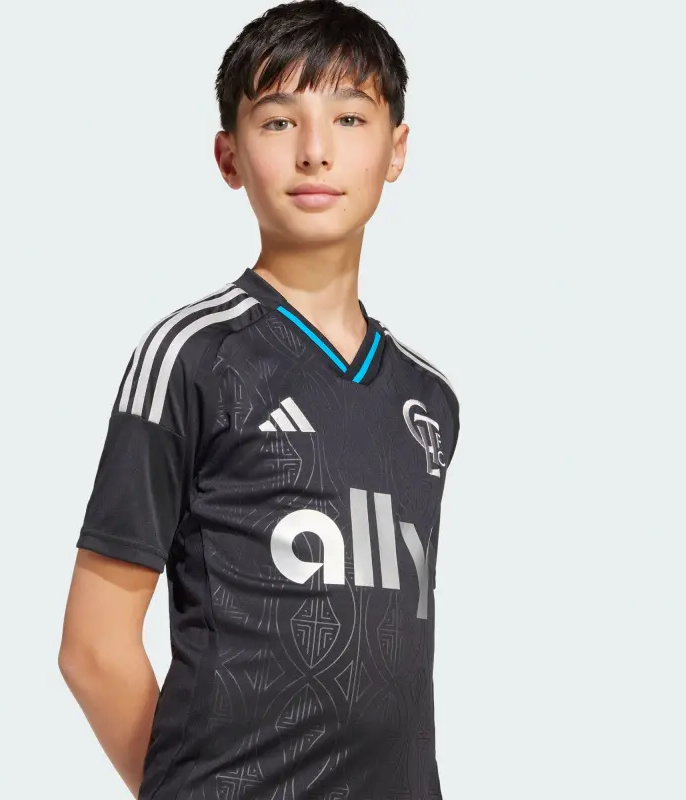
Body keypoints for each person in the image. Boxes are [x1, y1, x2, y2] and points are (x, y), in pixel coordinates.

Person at [59, 1, 461, 797]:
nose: (315, 150)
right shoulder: (194, 356)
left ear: (396, 149)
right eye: (279, 122)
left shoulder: (428, 398)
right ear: (229, 155)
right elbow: (93, 649)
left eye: (350, 118)